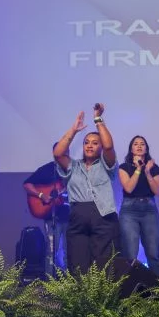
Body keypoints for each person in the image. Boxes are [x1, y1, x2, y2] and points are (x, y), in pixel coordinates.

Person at [53, 104, 119, 274]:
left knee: (104, 266)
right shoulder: (73, 166)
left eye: (95, 143)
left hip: (103, 216)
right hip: (78, 217)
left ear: (100, 147)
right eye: (86, 143)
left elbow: (109, 147)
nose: (89, 145)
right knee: (77, 266)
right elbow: (58, 153)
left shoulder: (106, 165)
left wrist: (98, 119)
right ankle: (80, 292)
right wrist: (74, 130)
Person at [118, 135, 159, 277]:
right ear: (131, 149)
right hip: (129, 211)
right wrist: (138, 169)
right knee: (130, 254)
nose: (139, 146)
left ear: (146, 149)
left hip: (149, 209)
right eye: (135, 144)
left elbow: (157, 191)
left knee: (153, 253)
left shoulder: (153, 167)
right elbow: (129, 188)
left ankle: (157, 288)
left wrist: (147, 172)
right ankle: (129, 288)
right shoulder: (124, 167)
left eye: (142, 144)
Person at [23, 143, 70, 271]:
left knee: (70, 251)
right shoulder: (47, 169)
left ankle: (69, 281)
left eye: (65, 151)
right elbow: (27, 185)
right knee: (51, 250)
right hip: (52, 217)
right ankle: (50, 280)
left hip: (71, 216)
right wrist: (41, 195)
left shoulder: (74, 169)